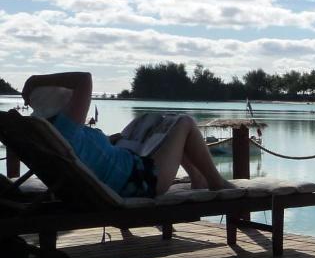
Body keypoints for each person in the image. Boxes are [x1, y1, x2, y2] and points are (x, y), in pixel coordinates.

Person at [21, 72, 233, 197]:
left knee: (158, 125)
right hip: (142, 179)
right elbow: (84, 79)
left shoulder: (48, 131)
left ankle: (197, 179)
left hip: (122, 172)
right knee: (184, 122)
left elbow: (86, 152)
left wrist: (107, 141)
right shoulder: (66, 127)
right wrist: (35, 81)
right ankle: (215, 181)